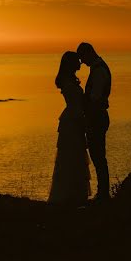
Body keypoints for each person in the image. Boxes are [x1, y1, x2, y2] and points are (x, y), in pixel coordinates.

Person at [48, 51, 91, 206]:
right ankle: (69, 195)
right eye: (77, 61)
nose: (80, 63)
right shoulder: (67, 81)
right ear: (71, 63)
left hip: (74, 119)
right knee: (71, 156)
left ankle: (74, 194)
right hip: (72, 120)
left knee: (75, 156)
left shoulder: (69, 80)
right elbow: (75, 103)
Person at [76, 42, 111, 201]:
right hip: (97, 117)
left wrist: (81, 101)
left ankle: (103, 193)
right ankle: (103, 191)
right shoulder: (98, 68)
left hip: (97, 118)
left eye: (83, 58)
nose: (82, 62)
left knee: (98, 156)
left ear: (89, 53)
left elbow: (95, 98)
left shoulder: (98, 72)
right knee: (98, 156)